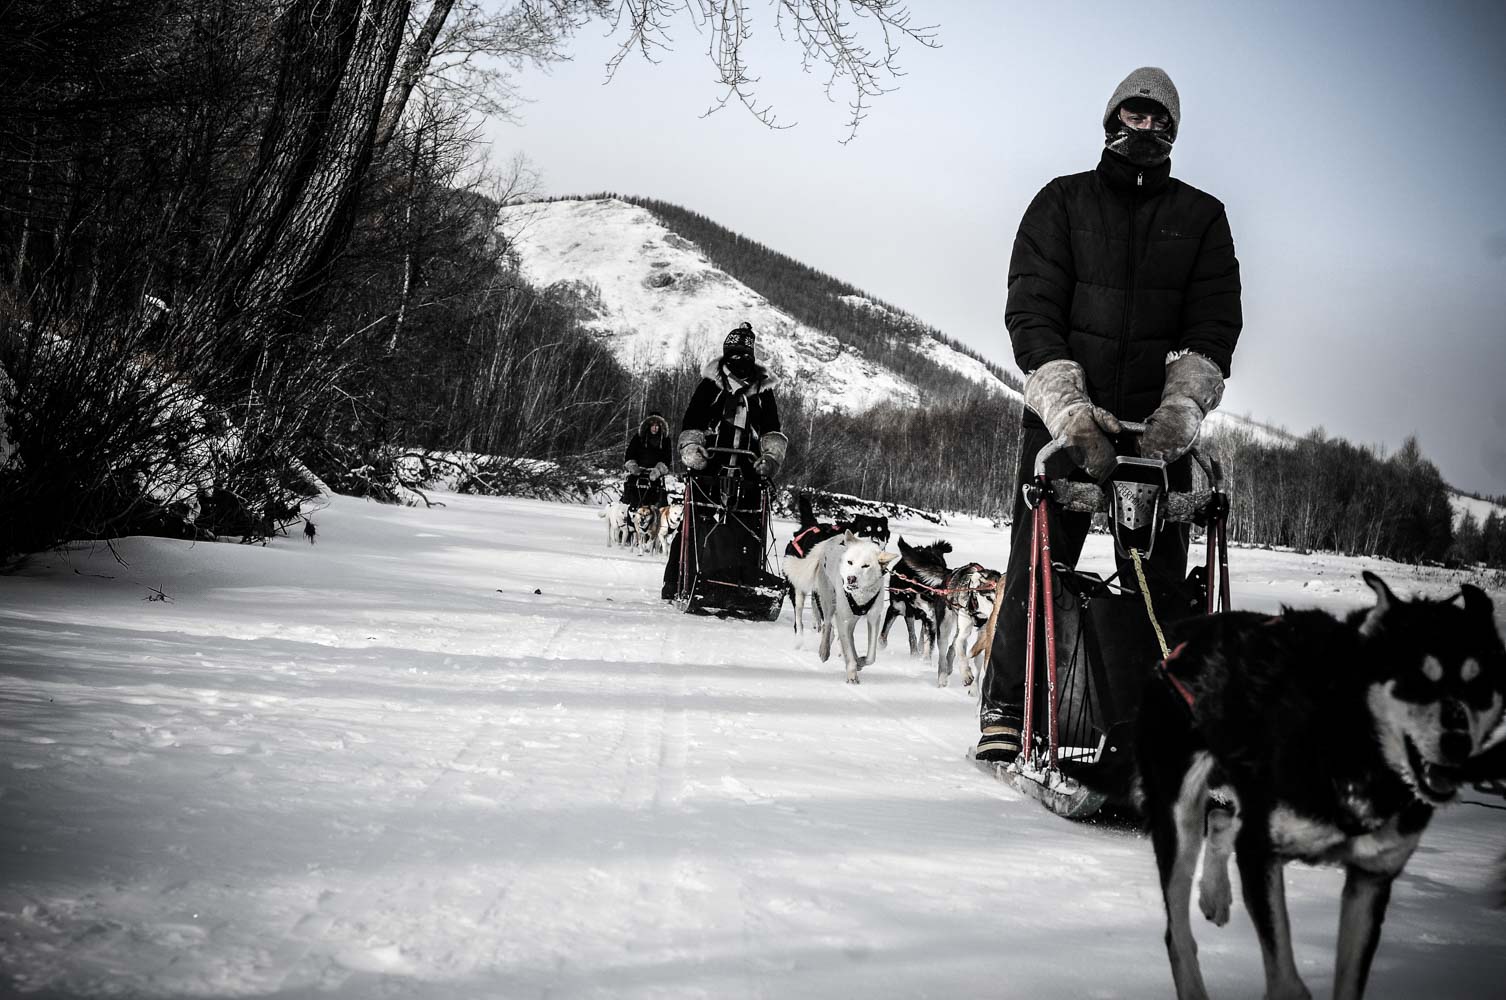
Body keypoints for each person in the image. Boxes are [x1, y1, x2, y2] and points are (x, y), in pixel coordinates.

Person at [975, 67, 1243, 762]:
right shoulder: (1061, 204)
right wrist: (1068, 409)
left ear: (1173, 131)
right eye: (1134, 113)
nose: (1144, 127)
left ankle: (1166, 723)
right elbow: (1032, 311)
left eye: (1159, 119)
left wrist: (1182, 408)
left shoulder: (1201, 216)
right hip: (1068, 426)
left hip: (1157, 433)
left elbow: (1214, 325)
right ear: (1111, 119)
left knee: (1160, 579)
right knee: (1038, 561)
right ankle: (1008, 705)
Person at [660, 322, 789, 600]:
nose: (739, 361)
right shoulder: (711, 385)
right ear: (726, 355)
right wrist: (693, 449)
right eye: (734, 355)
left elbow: (772, 429)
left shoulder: (763, 390)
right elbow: (692, 420)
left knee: (748, 528)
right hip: (711, 465)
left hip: (749, 467)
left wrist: (770, 458)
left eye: (744, 355)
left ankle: (742, 586)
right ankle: (676, 582)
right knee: (695, 522)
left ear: (752, 356)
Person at [623, 410, 671, 507]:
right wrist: (633, 467)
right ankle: (628, 508)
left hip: (655, 472)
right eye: (652, 425)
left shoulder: (665, 440)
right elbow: (630, 453)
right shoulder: (639, 437)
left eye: (657, 426)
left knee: (656, 489)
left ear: (661, 426)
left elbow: (667, 458)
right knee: (631, 486)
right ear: (648, 425)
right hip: (639, 470)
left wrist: (658, 470)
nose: (655, 428)